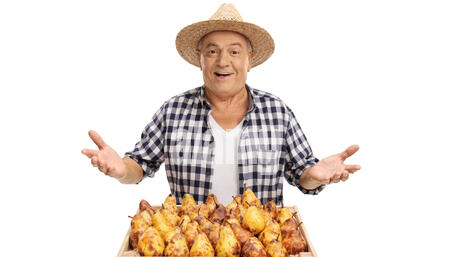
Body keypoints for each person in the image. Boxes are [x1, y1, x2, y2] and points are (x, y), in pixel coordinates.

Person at [81, 4, 361, 205]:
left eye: (234, 52)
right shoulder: (172, 112)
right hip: (191, 251)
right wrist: (121, 170)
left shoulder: (278, 112)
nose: (223, 61)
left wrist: (317, 174)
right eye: (212, 51)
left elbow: (303, 175)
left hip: (262, 254)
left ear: (249, 60)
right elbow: (139, 166)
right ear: (199, 58)